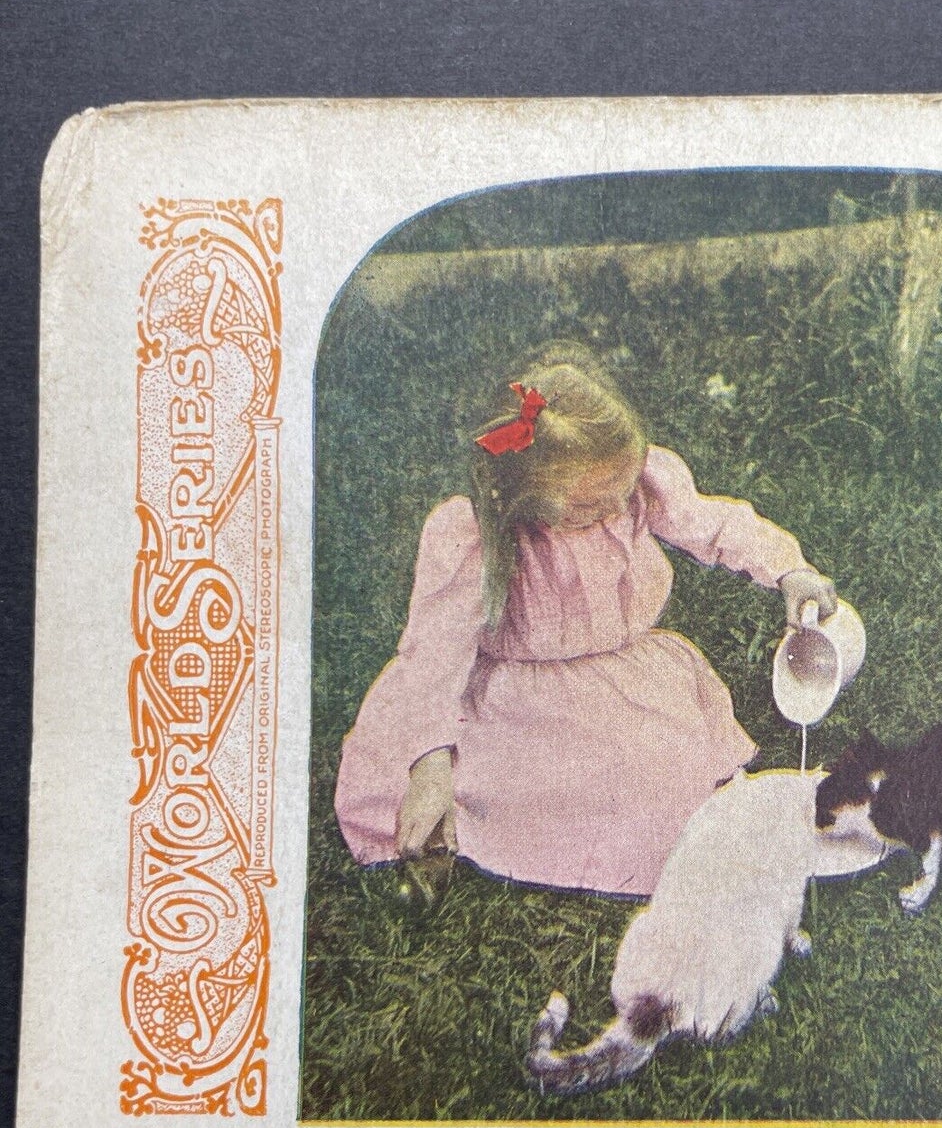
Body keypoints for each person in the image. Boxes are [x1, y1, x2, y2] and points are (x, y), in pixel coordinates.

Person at [334, 342, 838, 897]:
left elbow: (713, 524)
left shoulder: (629, 487)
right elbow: (434, 655)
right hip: (516, 701)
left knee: (661, 782)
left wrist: (786, 569)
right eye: (588, 507)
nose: (610, 512)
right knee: (527, 793)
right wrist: (429, 762)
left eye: (618, 498)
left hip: (622, 678)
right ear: (525, 492)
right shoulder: (477, 534)